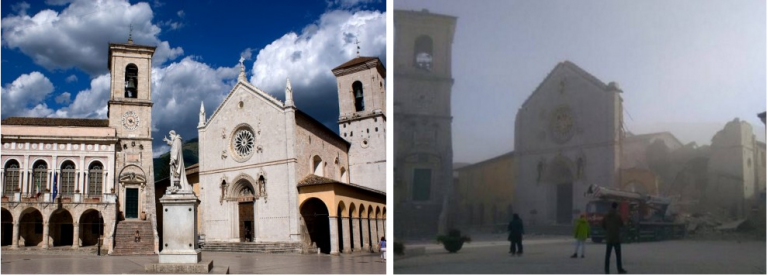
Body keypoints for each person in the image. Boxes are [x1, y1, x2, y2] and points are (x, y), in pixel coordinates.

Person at [602, 202, 627, 274]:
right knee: (618, 255)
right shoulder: (617, 215)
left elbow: (603, 225)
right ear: (616, 207)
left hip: (609, 238)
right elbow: (621, 224)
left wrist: (608, 230)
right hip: (616, 238)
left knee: (607, 255)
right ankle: (619, 269)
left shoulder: (606, 215)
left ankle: (607, 270)